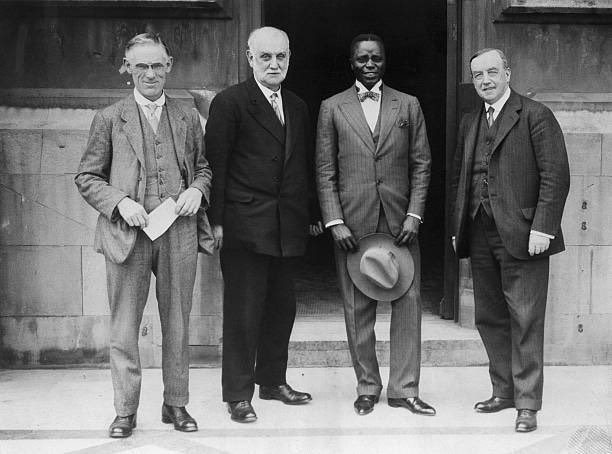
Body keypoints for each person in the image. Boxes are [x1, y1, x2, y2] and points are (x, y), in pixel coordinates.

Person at [75, 32, 212, 438]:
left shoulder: (187, 117)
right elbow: (86, 176)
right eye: (141, 67)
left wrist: (196, 190)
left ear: (168, 67)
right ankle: (125, 411)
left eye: (157, 66)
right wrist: (119, 202)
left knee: (178, 323)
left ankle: (176, 404)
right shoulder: (109, 118)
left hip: (178, 231)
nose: (149, 74)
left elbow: (204, 168)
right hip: (127, 234)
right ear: (127, 70)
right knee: (123, 326)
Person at [450, 48, 570, 432]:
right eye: (478, 75)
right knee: (489, 316)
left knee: (526, 318)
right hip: (480, 231)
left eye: (492, 72)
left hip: (524, 234)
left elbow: (555, 176)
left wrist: (543, 227)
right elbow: (460, 179)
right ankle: (503, 391)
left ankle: (528, 404)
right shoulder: (471, 121)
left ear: (508, 73)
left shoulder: (535, 115)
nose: (485, 80)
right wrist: (458, 228)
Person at [316, 34, 435, 417]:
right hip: (352, 223)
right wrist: (334, 220)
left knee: (408, 303)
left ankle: (404, 389)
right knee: (357, 307)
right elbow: (325, 169)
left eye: (376, 58)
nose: (370, 64)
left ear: (385, 62)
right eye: (362, 58)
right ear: (351, 62)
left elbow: (422, 164)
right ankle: (367, 386)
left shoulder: (409, 105)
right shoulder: (332, 107)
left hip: (401, 222)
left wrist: (415, 215)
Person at [205, 26, 314, 423]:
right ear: (250, 58)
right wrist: (215, 222)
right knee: (243, 312)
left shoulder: (299, 106)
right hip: (243, 225)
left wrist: (311, 216)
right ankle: (237, 393)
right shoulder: (230, 102)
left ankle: (272, 381)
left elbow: (302, 166)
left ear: (289, 58)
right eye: (265, 57)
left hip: (287, 227)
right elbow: (215, 166)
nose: (274, 64)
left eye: (281, 56)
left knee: (281, 309)